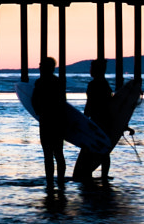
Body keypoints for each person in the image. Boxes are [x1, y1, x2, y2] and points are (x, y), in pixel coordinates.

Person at [30, 57, 69, 195]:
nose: (39, 67)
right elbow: (63, 103)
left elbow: (34, 101)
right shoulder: (58, 82)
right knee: (58, 153)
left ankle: (51, 182)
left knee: (49, 154)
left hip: (47, 121)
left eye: (41, 66)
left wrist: (39, 113)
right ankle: (59, 181)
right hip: (57, 121)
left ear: (49, 68)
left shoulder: (41, 82)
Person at [74, 59, 115, 183]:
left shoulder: (93, 84)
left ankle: (88, 175)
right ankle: (104, 176)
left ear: (97, 70)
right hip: (106, 121)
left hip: (96, 121)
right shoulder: (106, 84)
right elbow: (111, 105)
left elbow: (90, 104)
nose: (90, 71)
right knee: (104, 150)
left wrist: (83, 120)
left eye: (91, 68)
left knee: (90, 148)